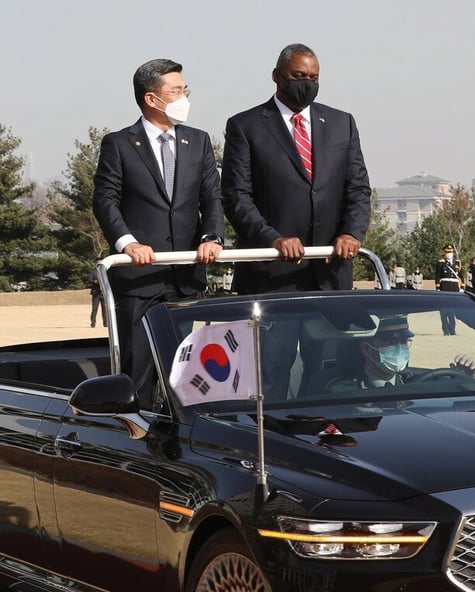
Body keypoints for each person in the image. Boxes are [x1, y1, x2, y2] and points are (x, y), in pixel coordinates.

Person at [92, 58, 224, 403]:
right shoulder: (119, 144)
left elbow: (212, 196)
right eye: (176, 90)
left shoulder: (198, 141)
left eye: (185, 89)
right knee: (139, 375)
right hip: (139, 279)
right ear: (152, 99)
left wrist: (212, 235)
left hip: (187, 278)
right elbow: (105, 200)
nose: (184, 97)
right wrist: (128, 244)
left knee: (192, 377)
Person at [222, 43, 370, 293]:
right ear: (277, 76)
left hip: (330, 274)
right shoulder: (246, 126)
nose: (307, 83)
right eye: (299, 76)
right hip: (270, 275)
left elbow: (358, 188)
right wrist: (272, 239)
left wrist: (351, 233)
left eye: (314, 77)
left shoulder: (341, 123)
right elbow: (236, 197)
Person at [324, 315, 475, 391]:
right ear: (366, 349)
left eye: (403, 342)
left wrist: (467, 382)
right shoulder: (344, 390)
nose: (399, 349)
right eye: (390, 343)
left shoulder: (416, 383)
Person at [436, 244, 460, 334]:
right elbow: (437, 276)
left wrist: (461, 287)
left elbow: (461, 276)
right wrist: (438, 288)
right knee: (444, 311)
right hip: (444, 288)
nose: (449, 254)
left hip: (454, 289)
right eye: (447, 252)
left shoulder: (457, 263)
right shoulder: (441, 263)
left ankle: (452, 330)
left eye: (450, 252)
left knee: (452, 311)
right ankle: (446, 330)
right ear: (444, 253)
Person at [88, 259, 108, 328]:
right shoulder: (93, 271)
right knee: (94, 308)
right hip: (96, 293)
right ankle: (93, 323)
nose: (99, 264)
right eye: (98, 263)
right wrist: (94, 281)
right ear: (96, 263)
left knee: (104, 309)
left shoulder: (105, 271)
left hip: (103, 293)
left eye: (101, 262)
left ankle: (105, 323)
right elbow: (89, 280)